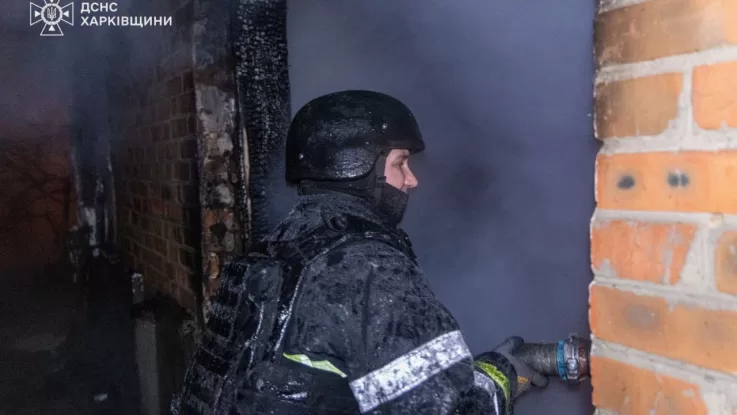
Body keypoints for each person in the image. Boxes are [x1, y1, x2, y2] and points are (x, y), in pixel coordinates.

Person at [173, 90, 548, 415]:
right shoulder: (367, 267)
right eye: (400, 163)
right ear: (357, 167)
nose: (412, 179)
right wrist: (502, 374)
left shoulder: (273, 251)